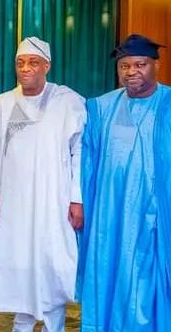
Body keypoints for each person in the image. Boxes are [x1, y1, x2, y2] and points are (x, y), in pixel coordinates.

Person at [0, 37, 86, 332]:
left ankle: (55, 325)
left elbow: (79, 154)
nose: (25, 68)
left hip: (54, 200)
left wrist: (76, 198)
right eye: (21, 63)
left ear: (46, 66)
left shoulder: (68, 103)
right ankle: (22, 324)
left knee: (53, 261)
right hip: (14, 202)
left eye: (33, 62)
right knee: (19, 262)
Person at [76, 34, 171, 331]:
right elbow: (85, 163)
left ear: (156, 65)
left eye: (140, 65)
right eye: (124, 66)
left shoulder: (168, 104)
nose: (131, 72)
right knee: (110, 270)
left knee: (152, 277)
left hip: (159, 212)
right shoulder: (101, 108)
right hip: (112, 214)